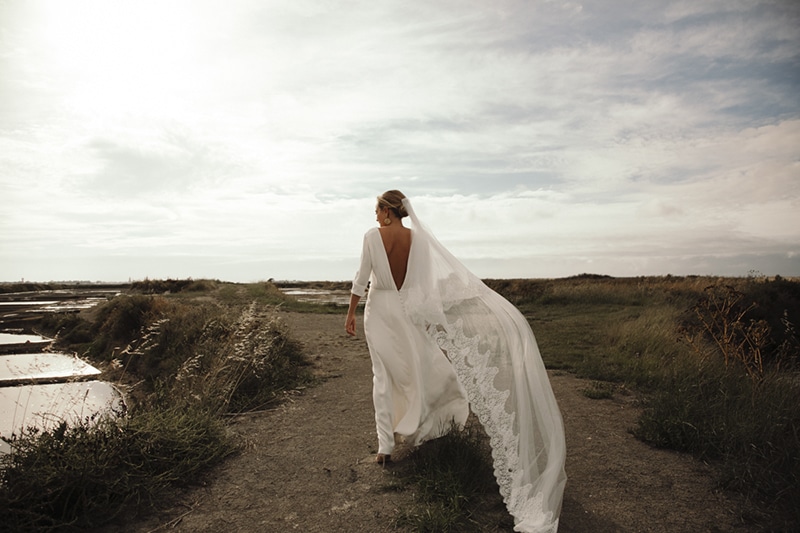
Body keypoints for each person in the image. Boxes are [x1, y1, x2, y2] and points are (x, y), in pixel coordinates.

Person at [345, 190, 567, 533]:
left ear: (388, 211)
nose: (374, 216)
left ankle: (385, 447)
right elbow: (422, 281)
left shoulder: (372, 237)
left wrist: (350, 313)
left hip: (379, 310)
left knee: (383, 373)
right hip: (405, 309)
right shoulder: (416, 239)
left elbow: (362, 277)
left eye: (377, 210)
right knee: (416, 367)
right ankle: (420, 425)